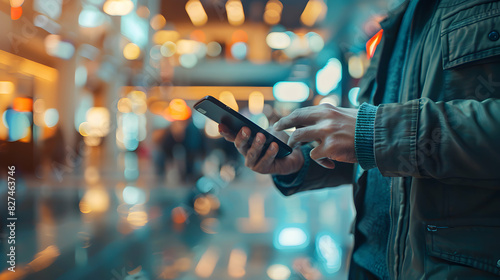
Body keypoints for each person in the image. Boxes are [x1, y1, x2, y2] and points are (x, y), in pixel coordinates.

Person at [219, 0, 500, 279]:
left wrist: (376, 132)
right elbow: (379, 156)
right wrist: (301, 162)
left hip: (453, 267)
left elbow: (379, 137)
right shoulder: (398, 20)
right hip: (369, 262)